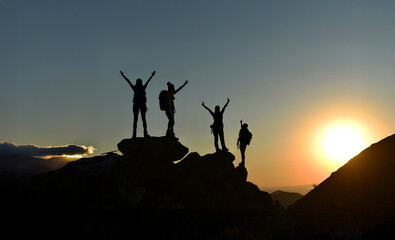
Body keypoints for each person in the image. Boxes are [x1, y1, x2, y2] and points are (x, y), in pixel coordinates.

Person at [120, 70, 156, 138]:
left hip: (137, 105)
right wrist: (152, 76)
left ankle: (135, 134)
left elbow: (128, 81)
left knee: (137, 119)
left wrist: (123, 76)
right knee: (142, 119)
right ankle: (143, 133)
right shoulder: (142, 88)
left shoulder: (135, 88)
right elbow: (148, 81)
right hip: (141, 105)